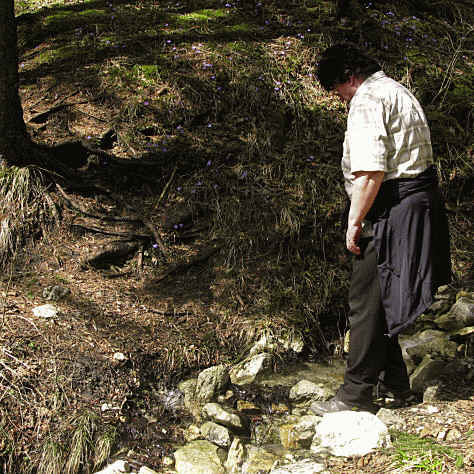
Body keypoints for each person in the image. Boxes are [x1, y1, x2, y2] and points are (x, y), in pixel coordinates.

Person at [311, 43, 451, 414]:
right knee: (381, 297)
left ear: (349, 78)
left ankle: (355, 395)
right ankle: (397, 387)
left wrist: (354, 222)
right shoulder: (397, 90)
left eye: (337, 91)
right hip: (415, 202)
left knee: (365, 302)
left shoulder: (368, 101)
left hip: (390, 207)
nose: (339, 100)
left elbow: (371, 171)